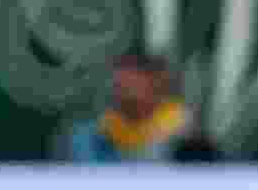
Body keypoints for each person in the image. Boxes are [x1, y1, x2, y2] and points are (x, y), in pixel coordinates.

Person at [58, 50, 200, 163]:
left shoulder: (183, 131)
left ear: (156, 81)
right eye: (119, 81)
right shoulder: (89, 135)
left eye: (134, 77)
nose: (123, 84)